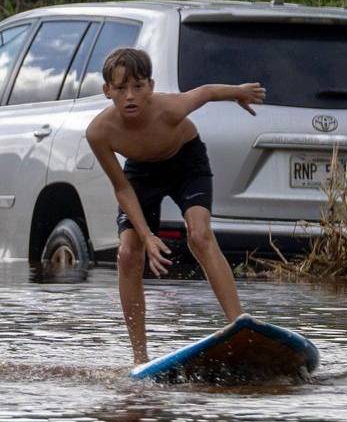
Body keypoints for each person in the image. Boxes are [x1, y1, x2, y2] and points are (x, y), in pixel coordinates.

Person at [84, 46, 265, 366]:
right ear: (107, 90)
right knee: (128, 253)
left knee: (199, 234)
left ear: (151, 87)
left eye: (138, 87)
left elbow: (207, 92)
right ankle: (139, 356)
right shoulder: (99, 132)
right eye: (121, 88)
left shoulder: (169, 108)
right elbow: (122, 188)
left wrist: (237, 92)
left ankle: (239, 325)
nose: (130, 96)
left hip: (186, 163)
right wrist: (145, 235)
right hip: (140, 174)